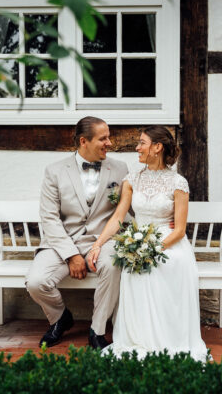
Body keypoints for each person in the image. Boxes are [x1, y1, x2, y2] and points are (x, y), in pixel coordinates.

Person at [86, 126, 208, 361]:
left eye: (142, 143)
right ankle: (139, 338)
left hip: (168, 243)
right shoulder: (132, 179)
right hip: (138, 241)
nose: (137, 148)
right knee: (135, 266)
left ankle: (169, 337)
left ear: (157, 147)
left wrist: (152, 249)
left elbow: (180, 230)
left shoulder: (178, 183)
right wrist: (98, 244)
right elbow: (118, 217)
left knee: (165, 265)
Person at [25, 116, 128, 349]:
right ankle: (60, 318)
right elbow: (49, 218)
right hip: (62, 240)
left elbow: (127, 208)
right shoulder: (54, 171)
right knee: (36, 281)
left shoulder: (120, 169)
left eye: (108, 137)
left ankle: (97, 329)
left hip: (103, 240)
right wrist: (71, 255)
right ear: (84, 141)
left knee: (113, 264)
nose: (109, 143)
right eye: (103, 138)